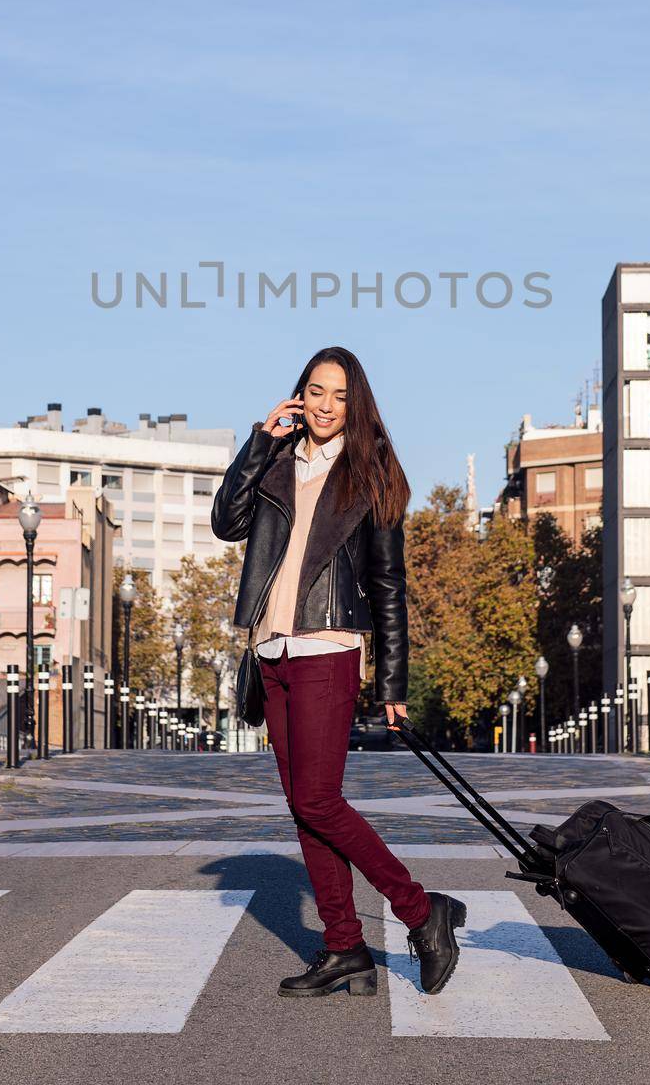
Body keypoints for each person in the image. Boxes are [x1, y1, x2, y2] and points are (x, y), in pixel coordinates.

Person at [213, 346, 465, 999]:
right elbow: (225, 524)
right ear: (298, 397)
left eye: (339, 396)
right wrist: (255, 446)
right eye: (315, 391)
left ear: (356, 407)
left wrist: (392, 684)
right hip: (271, 651)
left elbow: (388, 582)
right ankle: (344, 947)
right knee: (305, 810)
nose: (325, 405)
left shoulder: (371, 472)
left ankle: (418, 911)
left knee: (319, 799)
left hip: (328, 647)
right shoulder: (273, 461)